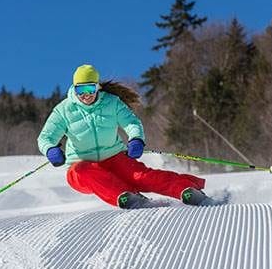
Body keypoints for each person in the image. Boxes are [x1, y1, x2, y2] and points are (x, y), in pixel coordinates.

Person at [38, 64, 210, 209]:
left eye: (90, 88)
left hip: (114, 158)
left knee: (141, 176)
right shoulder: (63, 110)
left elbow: (131, 123)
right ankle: (126, 196)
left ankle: (187, 189)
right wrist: (51, 149)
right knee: (80, 171)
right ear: (74, 89)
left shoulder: (111, 102)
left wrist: (136, 139)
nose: (86, 95)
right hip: (83, 167)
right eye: (80, 89)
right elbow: (45, 137)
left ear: (97, 87)